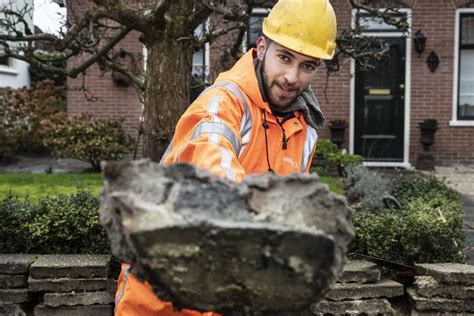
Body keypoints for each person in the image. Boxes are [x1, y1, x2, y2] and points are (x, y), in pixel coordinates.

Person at [114, 0, 337, 314]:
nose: (291, 76)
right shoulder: (223, 104)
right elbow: (213, 165)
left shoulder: (304, 131)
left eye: (307, 65)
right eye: (284, 57)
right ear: (261, 48)